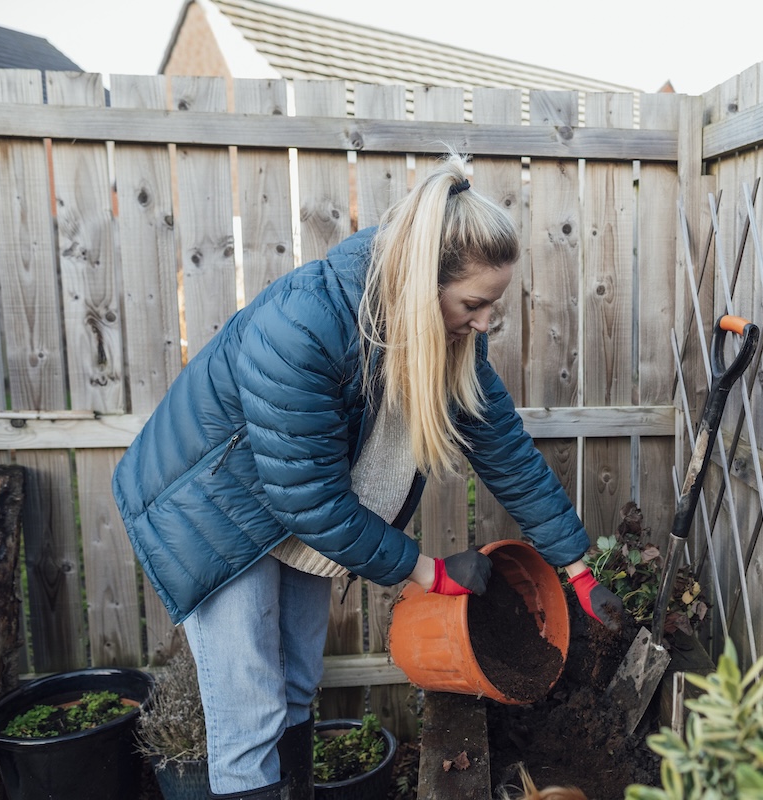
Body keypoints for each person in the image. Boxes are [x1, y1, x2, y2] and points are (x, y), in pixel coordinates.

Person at [111, 152, 623, 800]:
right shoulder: (304, 328)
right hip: (213, 508)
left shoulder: (447, 338)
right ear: (421, 283)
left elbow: (506, 452)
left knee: (298, 681)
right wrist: (431, 573)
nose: (486, 320)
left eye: (493, 304)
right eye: (474, 303)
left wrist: (576, 569)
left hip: (292, 505)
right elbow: (314, 502)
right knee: (251, 714)